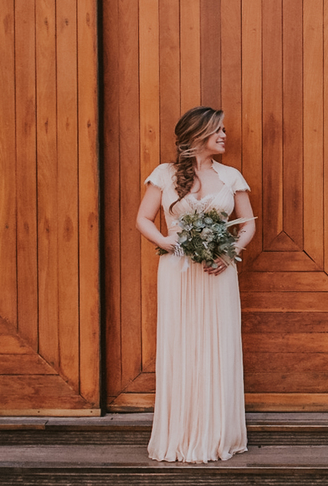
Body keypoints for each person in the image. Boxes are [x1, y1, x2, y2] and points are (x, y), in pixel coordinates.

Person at [134, 106, 257, 463]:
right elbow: (143, 217)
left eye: (223, 129)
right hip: (178, 271)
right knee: (181, 342)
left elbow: (248, 224)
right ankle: (181, 433)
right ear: (197, 135)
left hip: (218, 274)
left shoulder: (231, 176)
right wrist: (165, 241)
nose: (224, 136)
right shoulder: (165, 174)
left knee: (217, 344)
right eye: (217, 130)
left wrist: (230, 251)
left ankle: (217, 433)